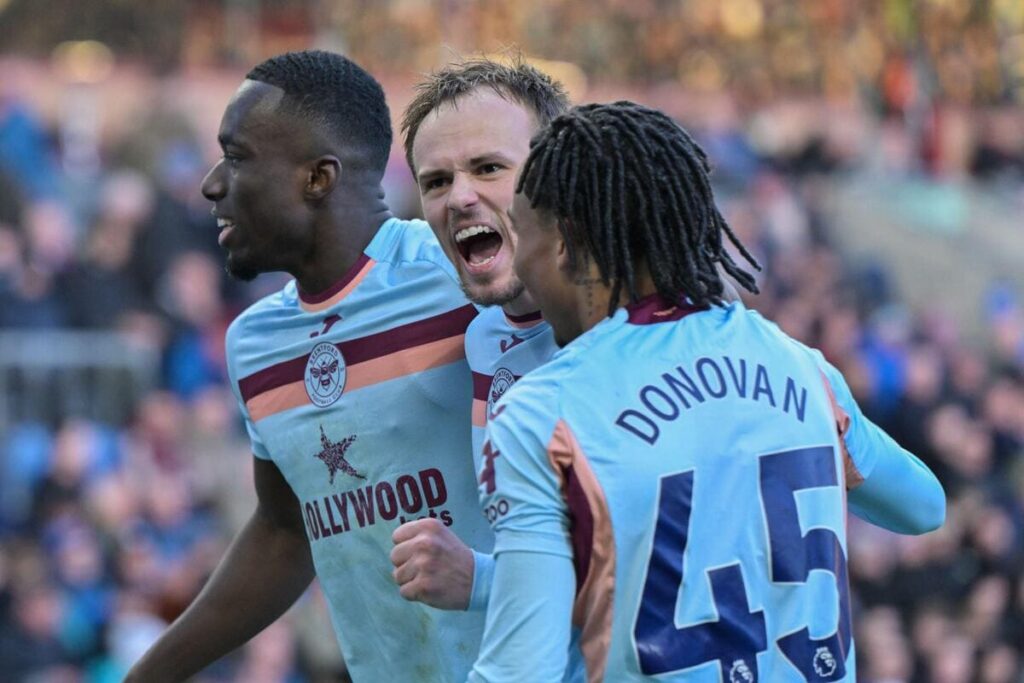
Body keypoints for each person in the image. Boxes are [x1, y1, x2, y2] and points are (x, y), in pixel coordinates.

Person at [469, 102, 946, 682]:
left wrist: (478, 585)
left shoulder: (543, 413)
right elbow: (923, 506)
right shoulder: (801, 367)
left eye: (523, 234)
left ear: (566, 241)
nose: (520, 260)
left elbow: (519, 672)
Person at [126, 50, 491, 682]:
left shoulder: (463, 277)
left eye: (236, 157)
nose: (212, 183)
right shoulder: (256, 344)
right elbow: (284, 530)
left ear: (317, 178)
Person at [390, 58, 568, 612]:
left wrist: (480, 581)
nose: (460, 197)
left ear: (561, 171)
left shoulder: (638, 338)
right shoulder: (483, 335)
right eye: (436, 181)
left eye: (489, 167)